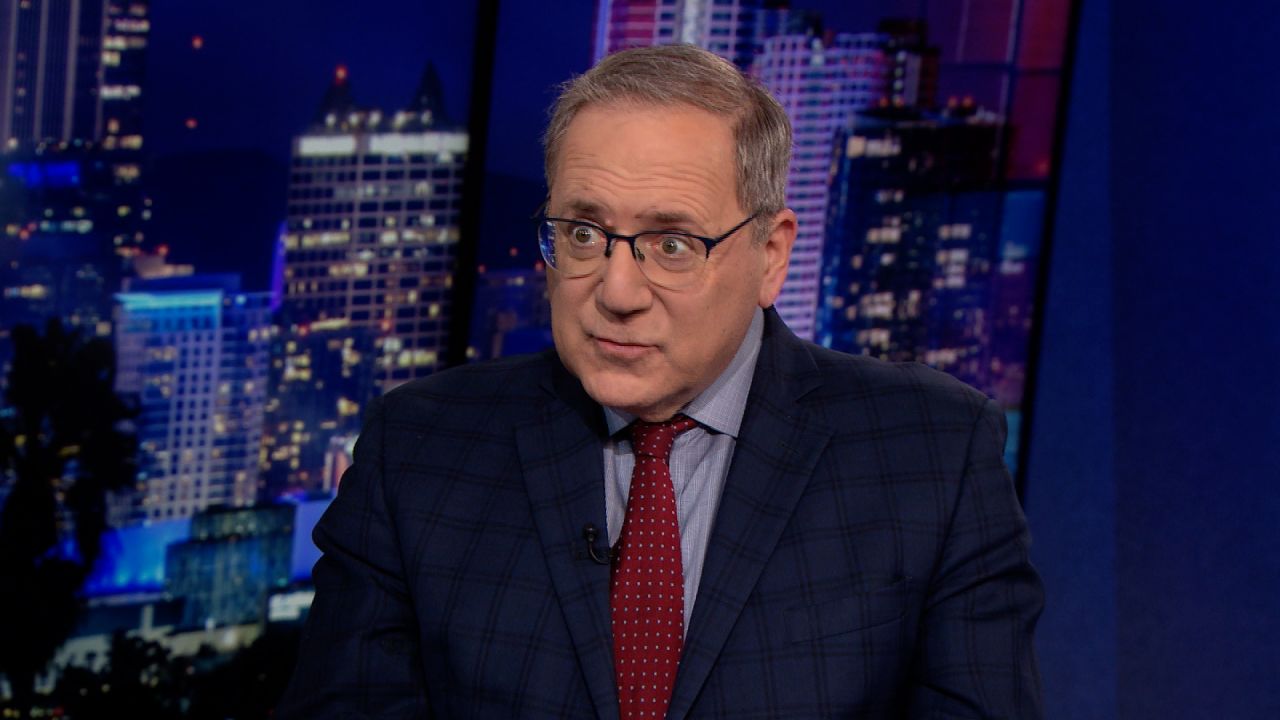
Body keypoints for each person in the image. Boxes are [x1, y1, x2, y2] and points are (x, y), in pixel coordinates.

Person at [278, 44, 1043, 719]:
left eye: (672, 243)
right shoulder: (420, 448)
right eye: (584, 234)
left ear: (771, 256)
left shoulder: (932, 454)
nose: (616, 290)